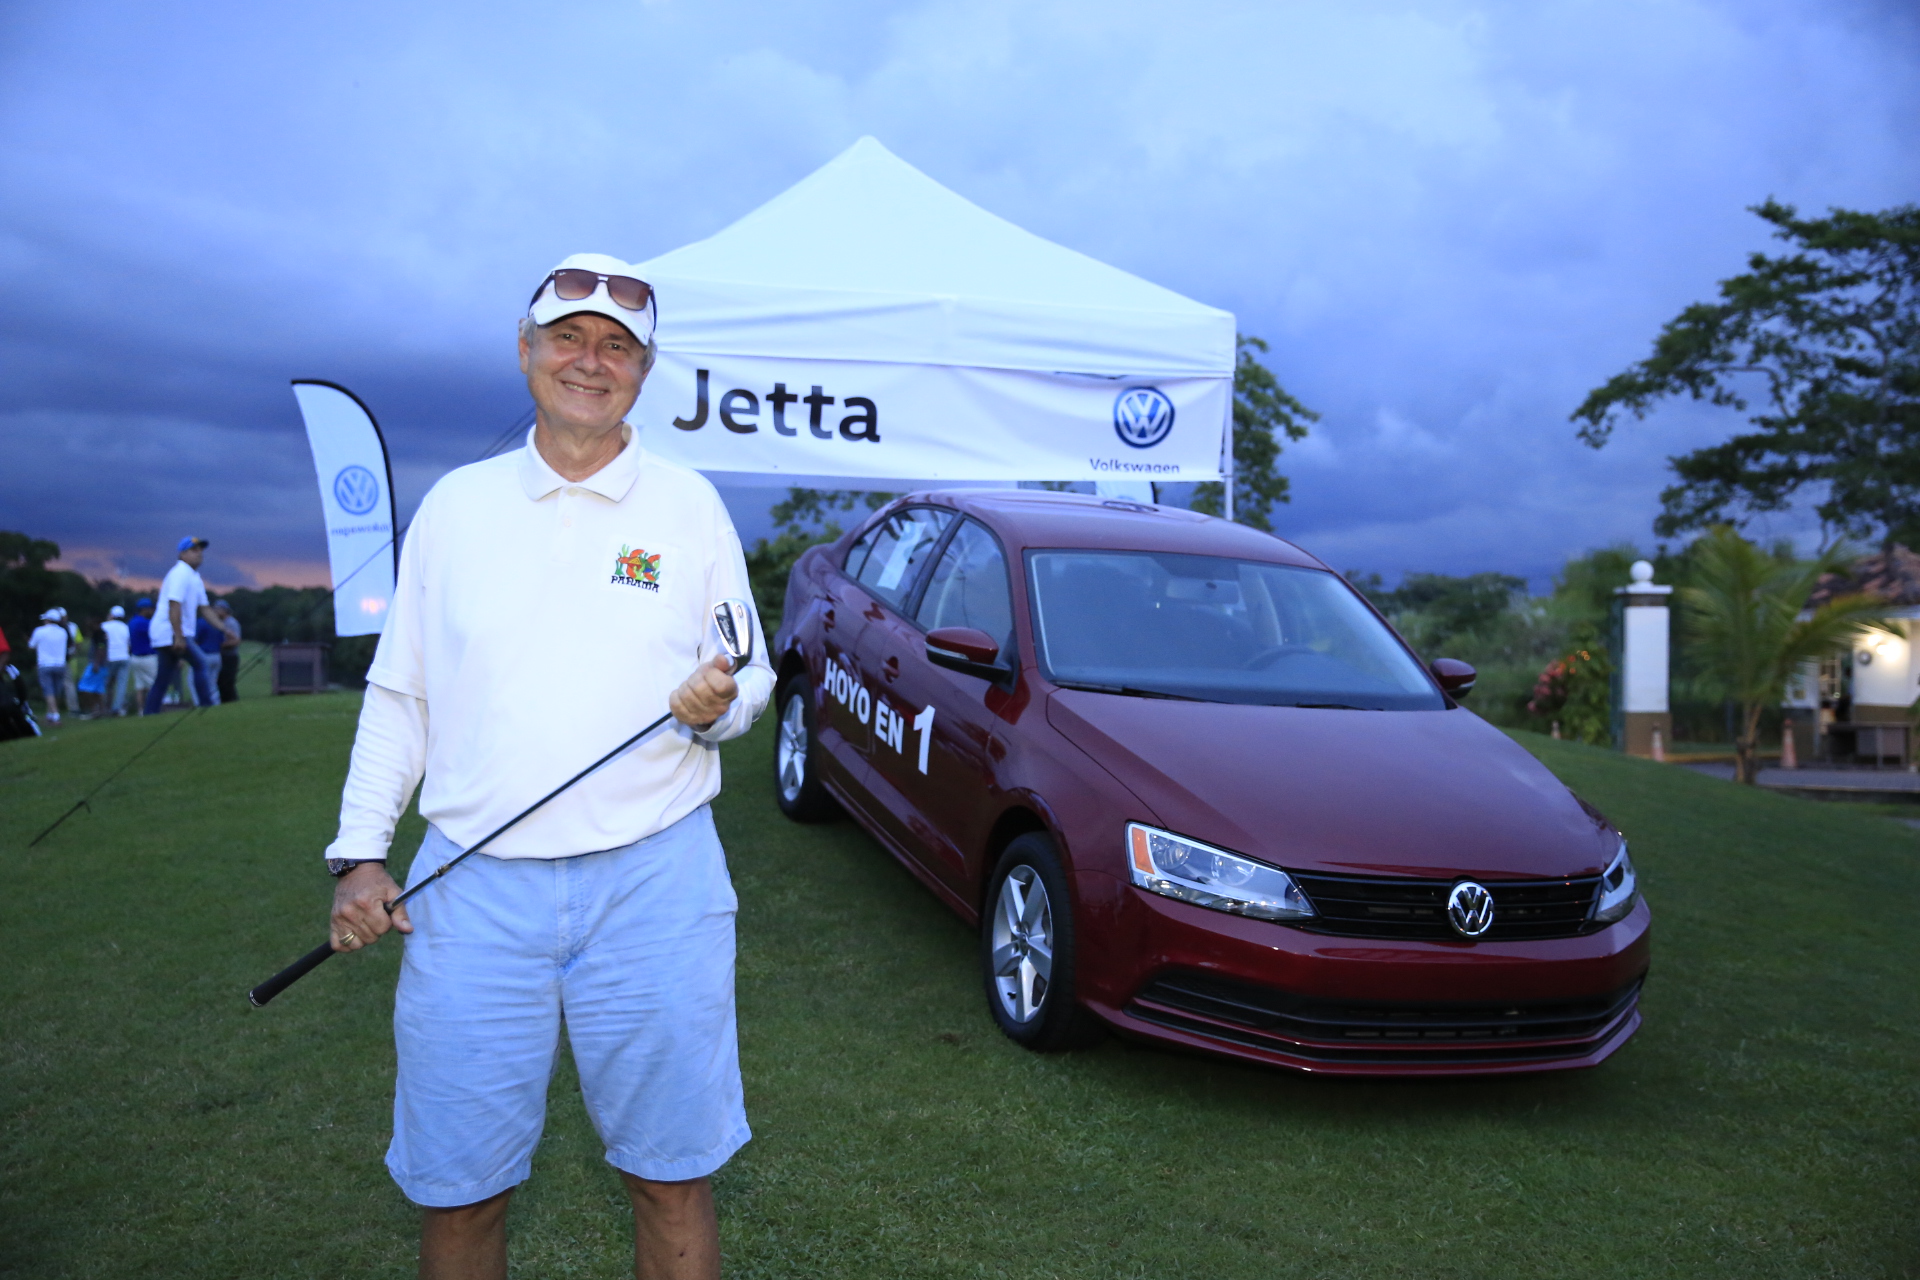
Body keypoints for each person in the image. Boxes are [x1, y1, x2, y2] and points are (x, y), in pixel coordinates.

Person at [324, 253, 771, 1279]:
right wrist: (358, 854)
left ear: (644, 372)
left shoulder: (691, 506)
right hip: (470, 889)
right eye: (568, 335)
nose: (590, 360)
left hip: (657, 880)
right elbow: (401, 699)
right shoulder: (454, 508)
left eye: (618, 345)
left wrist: (717, 706)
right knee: (461, 1187)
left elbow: (747, 677)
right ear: (525, 350)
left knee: (672, 1176)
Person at [144, 537, 217, 714]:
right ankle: (207, 707)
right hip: (169, 631)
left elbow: (205, 608)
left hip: (172, 632)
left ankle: (149, 714)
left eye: (200, 550)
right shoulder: (180, 573)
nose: (199, 553)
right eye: (194, 550)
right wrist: (178, 636)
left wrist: (224, 629)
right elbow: (174, 605)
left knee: (163, 679)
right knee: (201, 663)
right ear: (182, 554)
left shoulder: (194, 577)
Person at [28, 609, 67, 725]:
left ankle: (55, 715)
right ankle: (50, 714)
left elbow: (31, 645)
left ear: (48, 620)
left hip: (45, 664)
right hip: (60, 664)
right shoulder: (63, 632)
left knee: (48, 690)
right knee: (57, 690)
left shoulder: (39, 631)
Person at [126, 599, 158, 710]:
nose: (152, 611)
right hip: (148, 657)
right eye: (150, 609)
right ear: (144, 609)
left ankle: (141, 710)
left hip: (134, 657)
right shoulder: (145, 623)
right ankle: (153, 709)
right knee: (154, 685)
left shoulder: (132, 622)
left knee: (140, 686)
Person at [101, 605, 132, 715]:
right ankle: (117, 708)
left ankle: (104, 706)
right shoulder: (125, 627)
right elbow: (129, 644)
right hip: (124, 657)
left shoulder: (104, 625)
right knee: (121, 685)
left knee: (106, 684)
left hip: (110, 658)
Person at [211, 600, 242, 703]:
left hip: (230, 657)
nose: (215, 611)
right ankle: (224, 702)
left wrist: (218, 646)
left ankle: (232, 701)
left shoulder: (231, 623)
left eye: (217, 609)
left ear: (224, 610)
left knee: (227, 682)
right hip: (222, 656)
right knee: (220, 682)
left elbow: (236, 641)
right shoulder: (219, 623)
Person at [193, 608, 225, 705]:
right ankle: (215, 702)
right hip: (217, 655)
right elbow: (221, 641)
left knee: (194, 680)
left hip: (204, 655)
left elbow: (196, 640)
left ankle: (200, 703)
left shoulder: (201, 622)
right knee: (212, 683)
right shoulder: (218, 623)